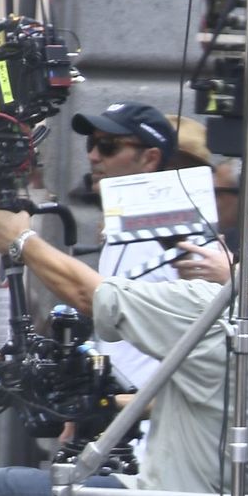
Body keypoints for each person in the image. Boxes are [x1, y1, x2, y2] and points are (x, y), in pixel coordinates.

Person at [0, 175, 248, 496]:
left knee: (4, 492)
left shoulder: (222, 307)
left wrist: (21, 238)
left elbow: (91, 296)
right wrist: (107, 404)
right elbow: (225, 393)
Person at [71, 102, 179, 391]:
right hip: (118, 416)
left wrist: (21, 240)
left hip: (149, 425)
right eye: (91, 143)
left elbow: (93, 300)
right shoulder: (123, 225)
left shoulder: (166, 230)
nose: (93, 156)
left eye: (108, 146)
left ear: (150, 158)